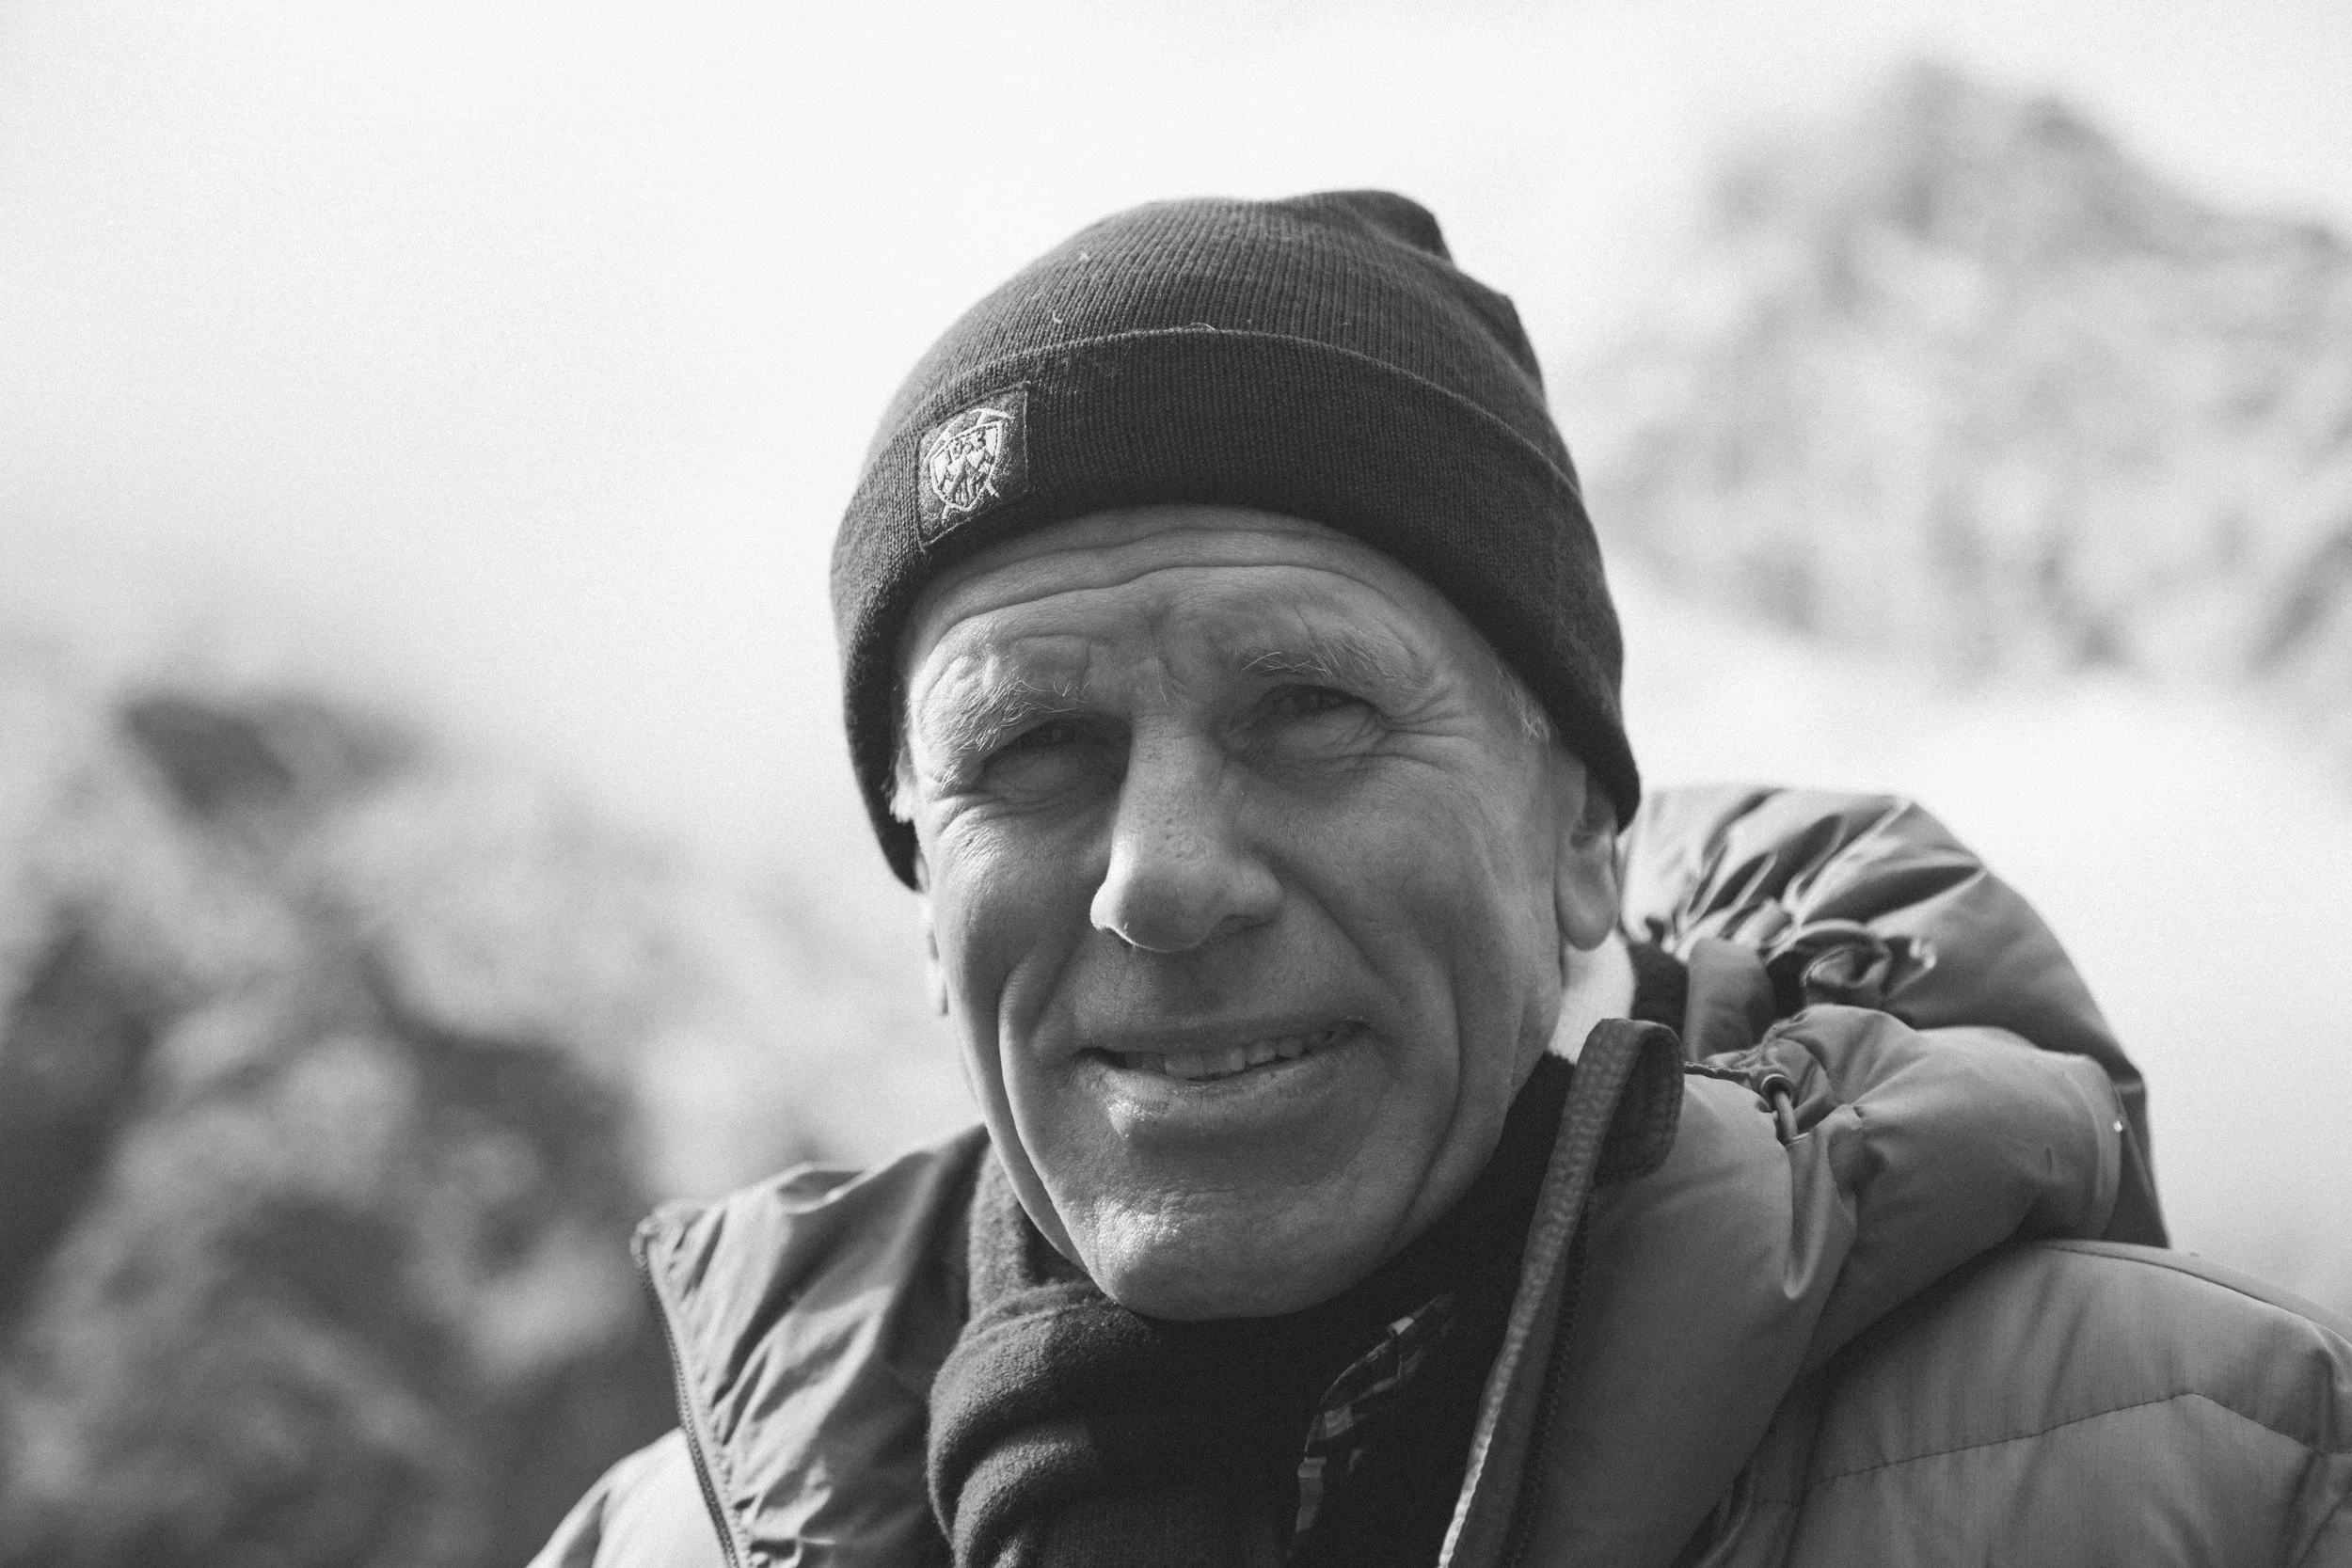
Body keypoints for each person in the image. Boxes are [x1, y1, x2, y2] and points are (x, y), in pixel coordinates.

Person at [535, 192, 2352, 1567]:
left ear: (1580, 839)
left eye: (1308, 707)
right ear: (924, 887)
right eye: (1028, 753)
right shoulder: (669, 1540)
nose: (1162, 885)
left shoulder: (2211, 1478)